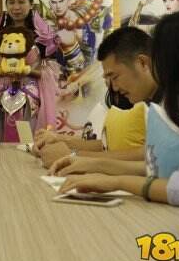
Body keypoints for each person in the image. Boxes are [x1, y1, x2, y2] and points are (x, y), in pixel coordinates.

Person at [51, 8, 179, 216]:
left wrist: (118, 181)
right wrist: (97, 168)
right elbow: (161, 166)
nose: (158, 71)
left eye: (162, 60)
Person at [33, 26, 158, 167]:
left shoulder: (171, 102)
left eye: (114, 77)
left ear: (142, 63)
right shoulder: (142, 100)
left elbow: (148, 155)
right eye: (107, 78)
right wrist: (59, 140)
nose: (113, 87)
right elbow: (107, 145)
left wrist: (72, 155)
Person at [0, 0, 59, 141]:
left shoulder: (44, 38)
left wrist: (29, 71)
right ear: (6, 5)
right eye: (11, 2)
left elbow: (50, 72)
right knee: (1, 142)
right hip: (0, 99)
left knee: (29, 142)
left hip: (31, 100)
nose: (16, 7)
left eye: (21, 2)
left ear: (31, 4)